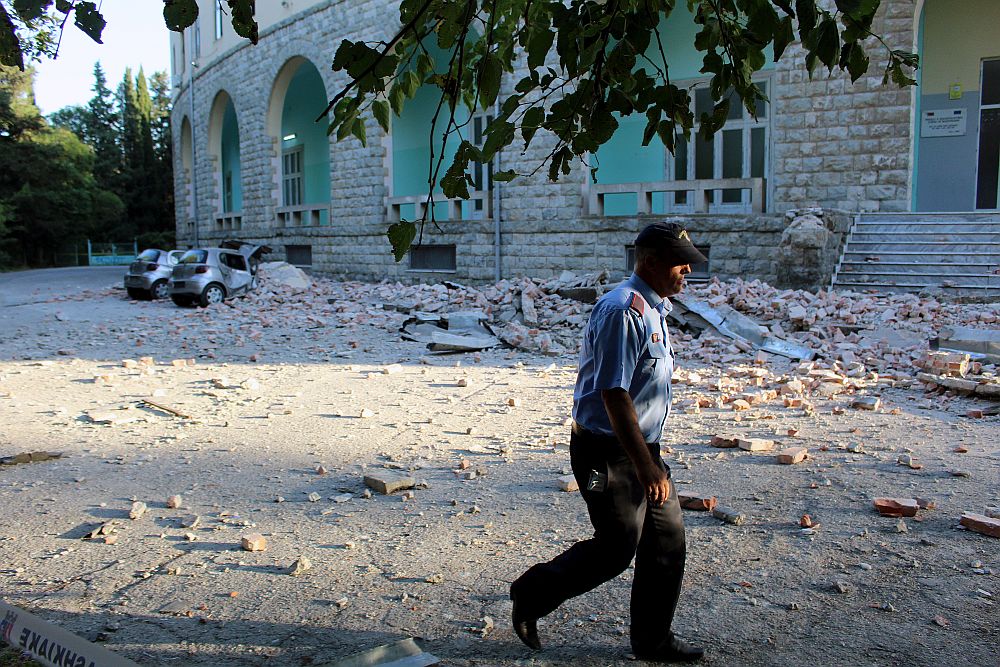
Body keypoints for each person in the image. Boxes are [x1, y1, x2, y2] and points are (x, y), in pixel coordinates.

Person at [510, 221, 706, 663]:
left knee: (667, 542)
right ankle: (531, 593)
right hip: (606, 450)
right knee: (617, 546)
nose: (687, 272)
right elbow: (614, 393)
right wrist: (645, 466)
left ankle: (653, 641)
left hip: (639, 447)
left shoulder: (655, 308)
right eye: (680, 263)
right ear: (649, 261)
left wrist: (650, 458)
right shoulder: (623, 310)